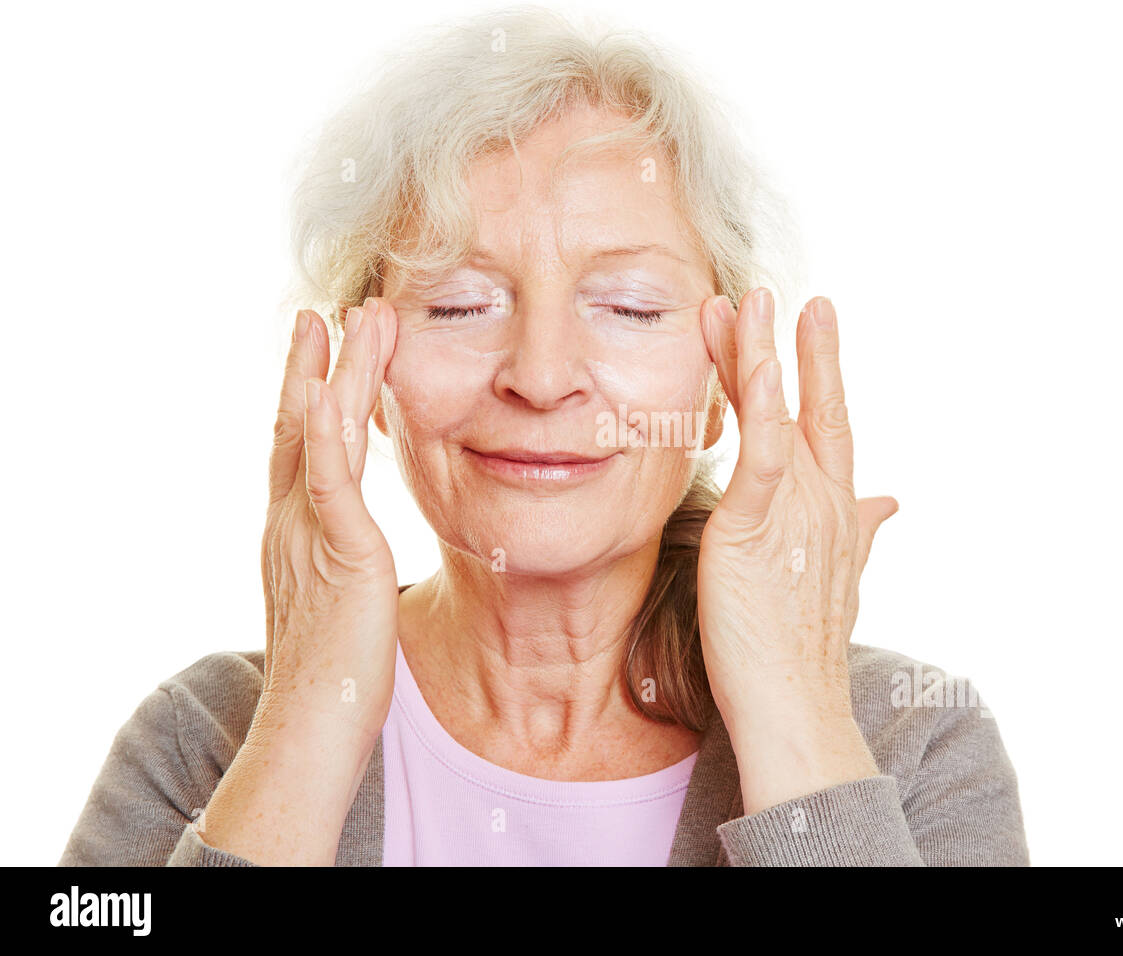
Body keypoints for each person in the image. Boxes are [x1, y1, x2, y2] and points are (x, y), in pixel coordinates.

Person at [60, 5, 1029, 866]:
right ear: (365, 366)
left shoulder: (903, 738)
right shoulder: (208, 735)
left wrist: (792, 707)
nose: (541, 373)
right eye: (460, 301)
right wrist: (313, 712)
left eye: (628, 305)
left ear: (726, 373)